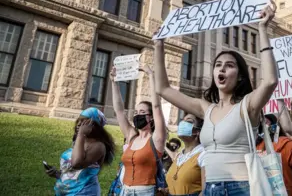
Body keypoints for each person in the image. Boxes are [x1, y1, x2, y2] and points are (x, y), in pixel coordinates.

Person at [154, 0, 279, 195]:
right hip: (210, 188)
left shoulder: (248, 106)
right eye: (218, 64)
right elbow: (162, 88)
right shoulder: (206, 108)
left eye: (229, 65)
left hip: (240, 187)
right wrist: (159, 45)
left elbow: (270, 80)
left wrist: (262, 29)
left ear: (239, 77)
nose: (222, 67)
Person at [110, 64, 168, 196]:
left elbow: (157, 106)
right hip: (124, 190)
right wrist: (114, 82)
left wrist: (151, 75)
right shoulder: (131, 136)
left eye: (142, 112)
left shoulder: (156, 139)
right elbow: (119, 111)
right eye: (136, 112)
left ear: (151, 117)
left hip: (145, 192)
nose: (137, 115)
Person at [45, 107, 115, 196]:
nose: (79, 124)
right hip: (66, 192)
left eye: (84, 123)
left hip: (84, 192)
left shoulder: (98, 146)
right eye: (79, 121)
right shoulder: (79, 141)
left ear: (94, 126)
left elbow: (76, 163)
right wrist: (58, 174)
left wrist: (81, 135)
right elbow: (75, 172)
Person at [256, 114, 292, 196]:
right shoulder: (256, 145)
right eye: (260, 123)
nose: (262, 126)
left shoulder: (283, 142)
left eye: (265, 122)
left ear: (274, 126)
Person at [166, 114, 205, 196]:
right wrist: (165, 191)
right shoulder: (180, 155)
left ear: (197, 132)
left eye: (189, 121)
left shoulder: (203, 154)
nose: (183, 124)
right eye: (183, 121)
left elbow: (206, 190)